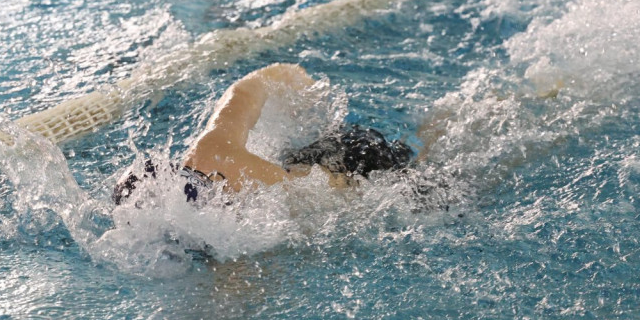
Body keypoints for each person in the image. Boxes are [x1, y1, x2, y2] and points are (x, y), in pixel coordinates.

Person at [112, 63, 414, 205]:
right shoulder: (213, 155)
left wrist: (297, 82)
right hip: (308, 165)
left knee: (424, 178)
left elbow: (250, 85)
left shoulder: (213, 152)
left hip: (361, 171)